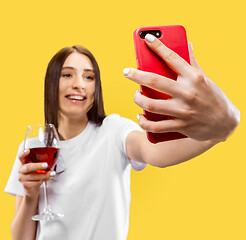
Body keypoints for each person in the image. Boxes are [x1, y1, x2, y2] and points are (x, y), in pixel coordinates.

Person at [5, 34, 240, 240]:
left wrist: (220, 130)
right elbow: (21, 238)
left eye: (89, 77)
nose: (79, 85)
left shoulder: (114, 130)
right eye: (67, 75)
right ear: (51, 82)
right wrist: (30, 195)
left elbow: (155, 153)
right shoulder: (31, 147)